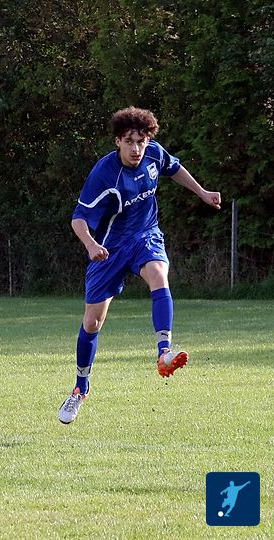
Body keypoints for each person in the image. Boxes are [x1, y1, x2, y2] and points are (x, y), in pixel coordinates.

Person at [58, 107, 222, 424]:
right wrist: (91, 245)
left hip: (146, 235)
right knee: (92, 322)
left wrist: (202, 192)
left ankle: (164, 351)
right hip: (110, 249)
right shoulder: (104, 174)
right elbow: (79, 218)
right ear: (118, 141)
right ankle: (80, 388)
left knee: (159, 276)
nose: (136, 149)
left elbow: (174, 168)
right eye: (129, 142)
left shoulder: (153, 154)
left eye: (141, 142)